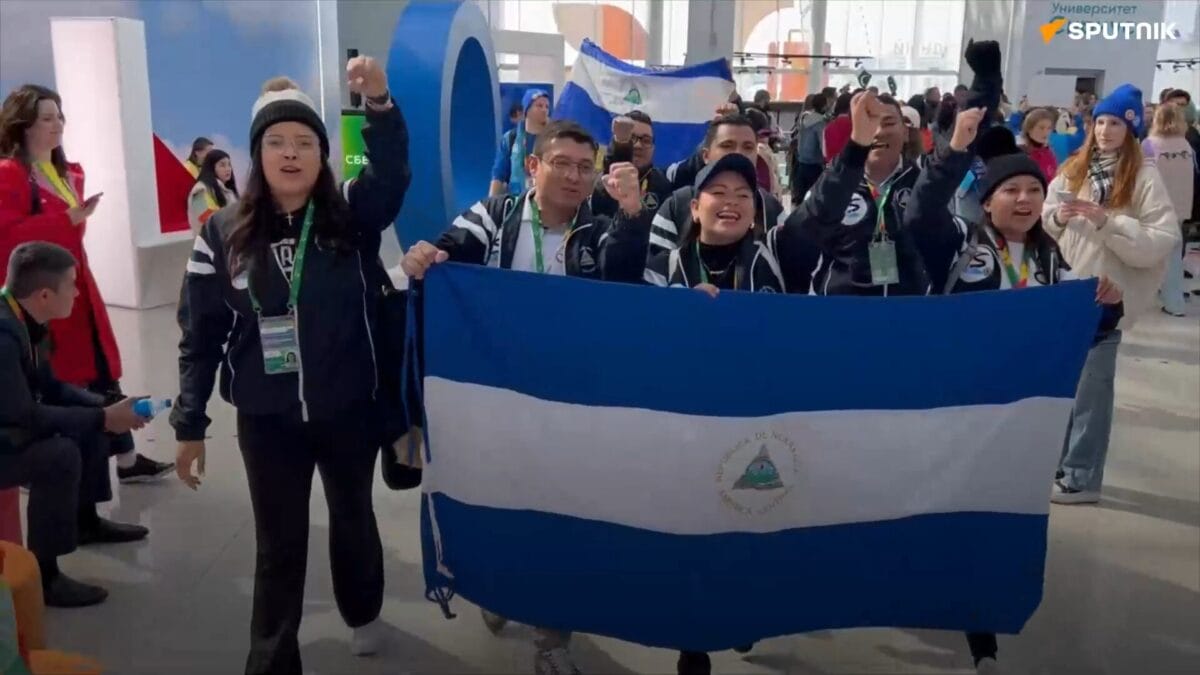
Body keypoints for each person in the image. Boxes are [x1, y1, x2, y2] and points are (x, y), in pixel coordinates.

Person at [172, 57, 410, 674]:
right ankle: (273, 660)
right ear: (256, 154)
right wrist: (189, 422)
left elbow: (390, 176)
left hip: (347, 406)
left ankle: (363, 610)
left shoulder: (350, 218)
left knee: (353, 517)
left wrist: (379, 103)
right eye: (276, 142)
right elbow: (200, 335)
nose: (291, 153)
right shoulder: (221, 233)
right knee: (278, 544)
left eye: (305, 142)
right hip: (266, 416)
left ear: (323, 155)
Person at [400, 120, 649, 675]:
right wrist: (425, 259)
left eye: (585, 167)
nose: (574, 175)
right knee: (502, 502)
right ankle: (500, 588)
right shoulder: (495, 217)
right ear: (532, 167)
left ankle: (551, 637)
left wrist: (633, 216)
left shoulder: (603, 224)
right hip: (501, 400)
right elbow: (449, 253)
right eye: (561, 163)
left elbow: (628, 279)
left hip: (575, 403)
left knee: (565, 517)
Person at [911, 153, 1123, 674]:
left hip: (1019, 419)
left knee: (991, 517)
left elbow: (1083, 332)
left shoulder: (1052, 260)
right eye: (1011, 191)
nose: (1024, 199)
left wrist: (1108, 305)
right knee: (942, 509)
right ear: (987, 202)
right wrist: (955, 151)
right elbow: (920, 216)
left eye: (1033, 189)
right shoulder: (961, 246)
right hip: (956, 410)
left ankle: (981, 634)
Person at [0, 84, 173, 484]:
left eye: (60, 115)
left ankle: (124, 459)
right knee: (70, 381)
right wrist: (68, 221)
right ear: (23, 124)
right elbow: (8, 240)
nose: (57, 124)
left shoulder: (62, 172)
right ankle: (85, 480)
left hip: (75, 292)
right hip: (45, 297)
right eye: (47, 117)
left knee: (98, 374)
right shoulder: (11, 174)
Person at [1042, 83, 1181, 504]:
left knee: (1091, 391)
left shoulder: (1143, 176)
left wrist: (1109, 223)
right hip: (1066, 292)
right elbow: (1046, 216)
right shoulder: (1075, 168)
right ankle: (1056, 463)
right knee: (1059, 386)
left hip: (1106, 298)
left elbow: (1162, 238)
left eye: (1115, 123)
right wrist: (1058, 218)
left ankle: (1082, 476)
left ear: (1131, 128)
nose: (1104, 130)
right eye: (1099, 121)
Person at [0, 242, 150, 608]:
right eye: (72, 285)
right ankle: (45, 575)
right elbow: (23, 416)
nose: (79, 292)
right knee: (59, 455)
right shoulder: (4, 336)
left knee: (91, 425)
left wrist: (105, 406)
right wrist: (102, 417)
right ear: (45, 294)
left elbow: (51, 387)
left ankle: (86, 522)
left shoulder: (25, 318)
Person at [804, 39, 1003, 297]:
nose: (878, 132)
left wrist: (985, 83)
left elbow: (964, 136)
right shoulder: (835, 188)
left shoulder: (923, 179)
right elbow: (803, 246)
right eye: (869, 122)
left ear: (906, 131)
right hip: (845, 318)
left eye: (887, 123)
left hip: (910, 316)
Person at [647, 115, 817, 290]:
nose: (738, 152)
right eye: (727, 145)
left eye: (748, 147)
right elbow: (653, 281)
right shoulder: (676, 205)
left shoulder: (771, 210)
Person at [1141, 103, 1195, 316]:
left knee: (1150, 253)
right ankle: (1173, 299)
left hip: (1155, 206)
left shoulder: (1149, 144)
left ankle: (1165, 299)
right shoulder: (1185, 145)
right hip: (1180, 207)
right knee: (1173, 255)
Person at [591, 111, 672, 219]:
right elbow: (613, 161)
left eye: (646, 140)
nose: (638, 145)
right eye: (631, 138)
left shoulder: (662, 184)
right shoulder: (605, 183)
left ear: (654, 148)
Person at [491, 89, 550, 196]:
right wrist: (491, 207)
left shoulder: (553, 139)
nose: (544, 110)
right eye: (539, 106)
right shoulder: (510, 138)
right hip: (517, 201)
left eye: (547, 107)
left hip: (545, 200)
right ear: (527, 110)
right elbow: (498, 175)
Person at [187, 148, 239, 232]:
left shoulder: (228, 191)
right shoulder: (199, 190)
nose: (228, 168)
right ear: (211, 167)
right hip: (209, 243)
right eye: (222, 165)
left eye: (229, 164)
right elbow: (205, 217)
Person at [791, 93, 829, 204]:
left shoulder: (804, 118)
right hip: (814, 165)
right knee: (812, 199)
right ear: (824, 106)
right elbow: (823, 145)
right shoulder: (820, 123)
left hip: (801, 162)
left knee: (800, 197)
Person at [1018, 107, 1058, 182]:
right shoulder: (1021, 154)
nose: (1046, 132)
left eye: (1049, 128)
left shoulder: (1049, 152)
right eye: (1041, 128)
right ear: (1029, 129)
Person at [823, 91, 854, 164]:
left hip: (832, 168)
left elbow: (825, 154)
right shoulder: (855, 126)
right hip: (849, 169)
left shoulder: (828, 126)